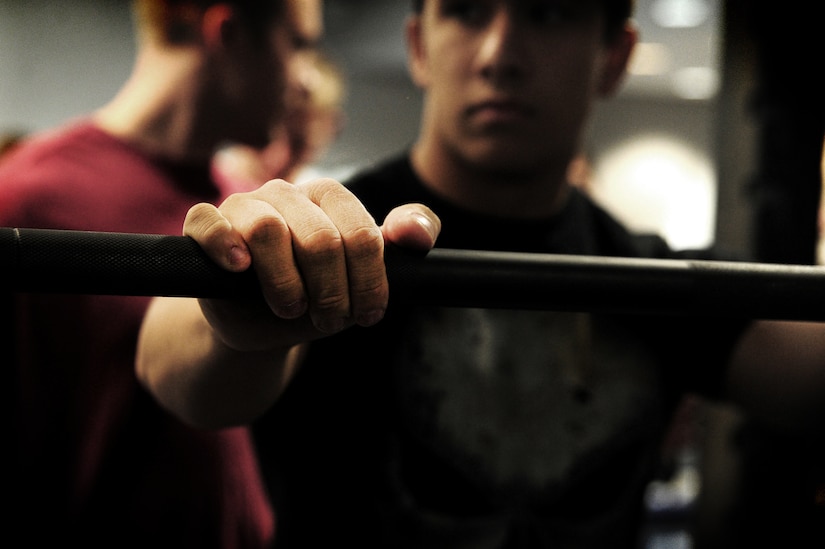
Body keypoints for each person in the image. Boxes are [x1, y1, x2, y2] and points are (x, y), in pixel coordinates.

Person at [136, 0, 825, 547]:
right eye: (465, 10)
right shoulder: (335, 239)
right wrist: (232, 306)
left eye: (548, 13)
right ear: (417, 45)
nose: (498, 54)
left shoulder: (644, 276)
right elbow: (168, 365)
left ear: (612, 56)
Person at [0, 0, 324, 547]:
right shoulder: (27, 203)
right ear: (230, 31)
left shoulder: (235, 201)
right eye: (298, 45)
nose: (308, 81)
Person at [212, 49, 346, 189]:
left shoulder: (320, 196)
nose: (275, 157)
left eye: (298, 144)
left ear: (330, 128)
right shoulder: (212, 180)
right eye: (262, 137)